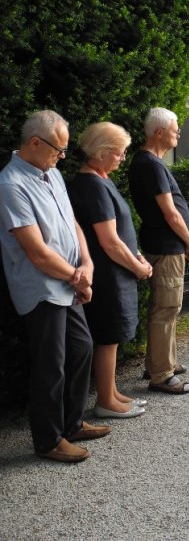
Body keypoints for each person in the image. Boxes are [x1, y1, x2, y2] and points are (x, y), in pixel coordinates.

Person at [0, 110, 110, 463]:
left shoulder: (53, 173)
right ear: (35, 142)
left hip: (66, 281)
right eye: (58, 149)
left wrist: (88, 265)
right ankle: (48, 441)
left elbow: (72, 223)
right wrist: (77, 276)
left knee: (82, 349)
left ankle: (72, 422)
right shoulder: (10, 184)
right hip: (42, 288)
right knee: (51, 364)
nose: (62, 156)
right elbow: (36, 252)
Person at [69, 123, 152, 419]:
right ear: (103, 152)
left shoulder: (100, 179)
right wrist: (139, 267)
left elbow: (121, 234)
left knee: (112, 337)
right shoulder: (91, 185)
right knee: (107, 336)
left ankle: (112, 392)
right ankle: (105, 400)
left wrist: (137, 255)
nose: (122, 158)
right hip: (108, 274)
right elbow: (110, 242)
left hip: (116, 271)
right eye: (119, 153)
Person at [128, 107, 189, 393]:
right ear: (159, 132)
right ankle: (161, 373)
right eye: (174, 128)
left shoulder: (149, 162)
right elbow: (170, 214)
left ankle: (162, 361)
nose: (178, 133)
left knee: (168, 306)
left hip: (165, 244)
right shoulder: (151, 164)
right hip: (167, 245)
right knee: (166, 307)